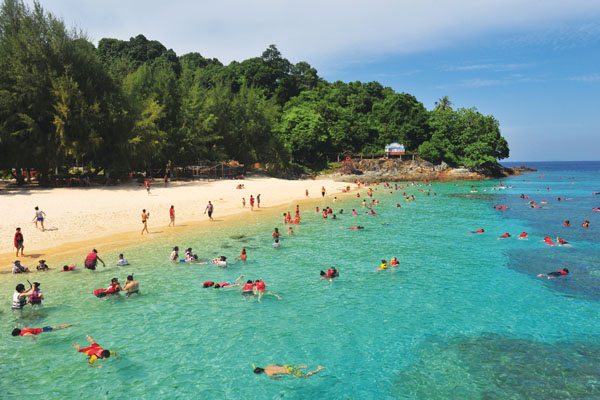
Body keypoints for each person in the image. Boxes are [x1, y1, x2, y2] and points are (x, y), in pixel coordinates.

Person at [253, 364, 325, 378]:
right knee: (302, 366)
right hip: (287, 366)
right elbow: (277, 364)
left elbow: (279, 377)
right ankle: (311, 364)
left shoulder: (269, 374)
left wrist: (278, 378)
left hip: (288, 371)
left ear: (260, 372)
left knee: (305, 376)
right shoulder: (268, 366)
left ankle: (319, 368)